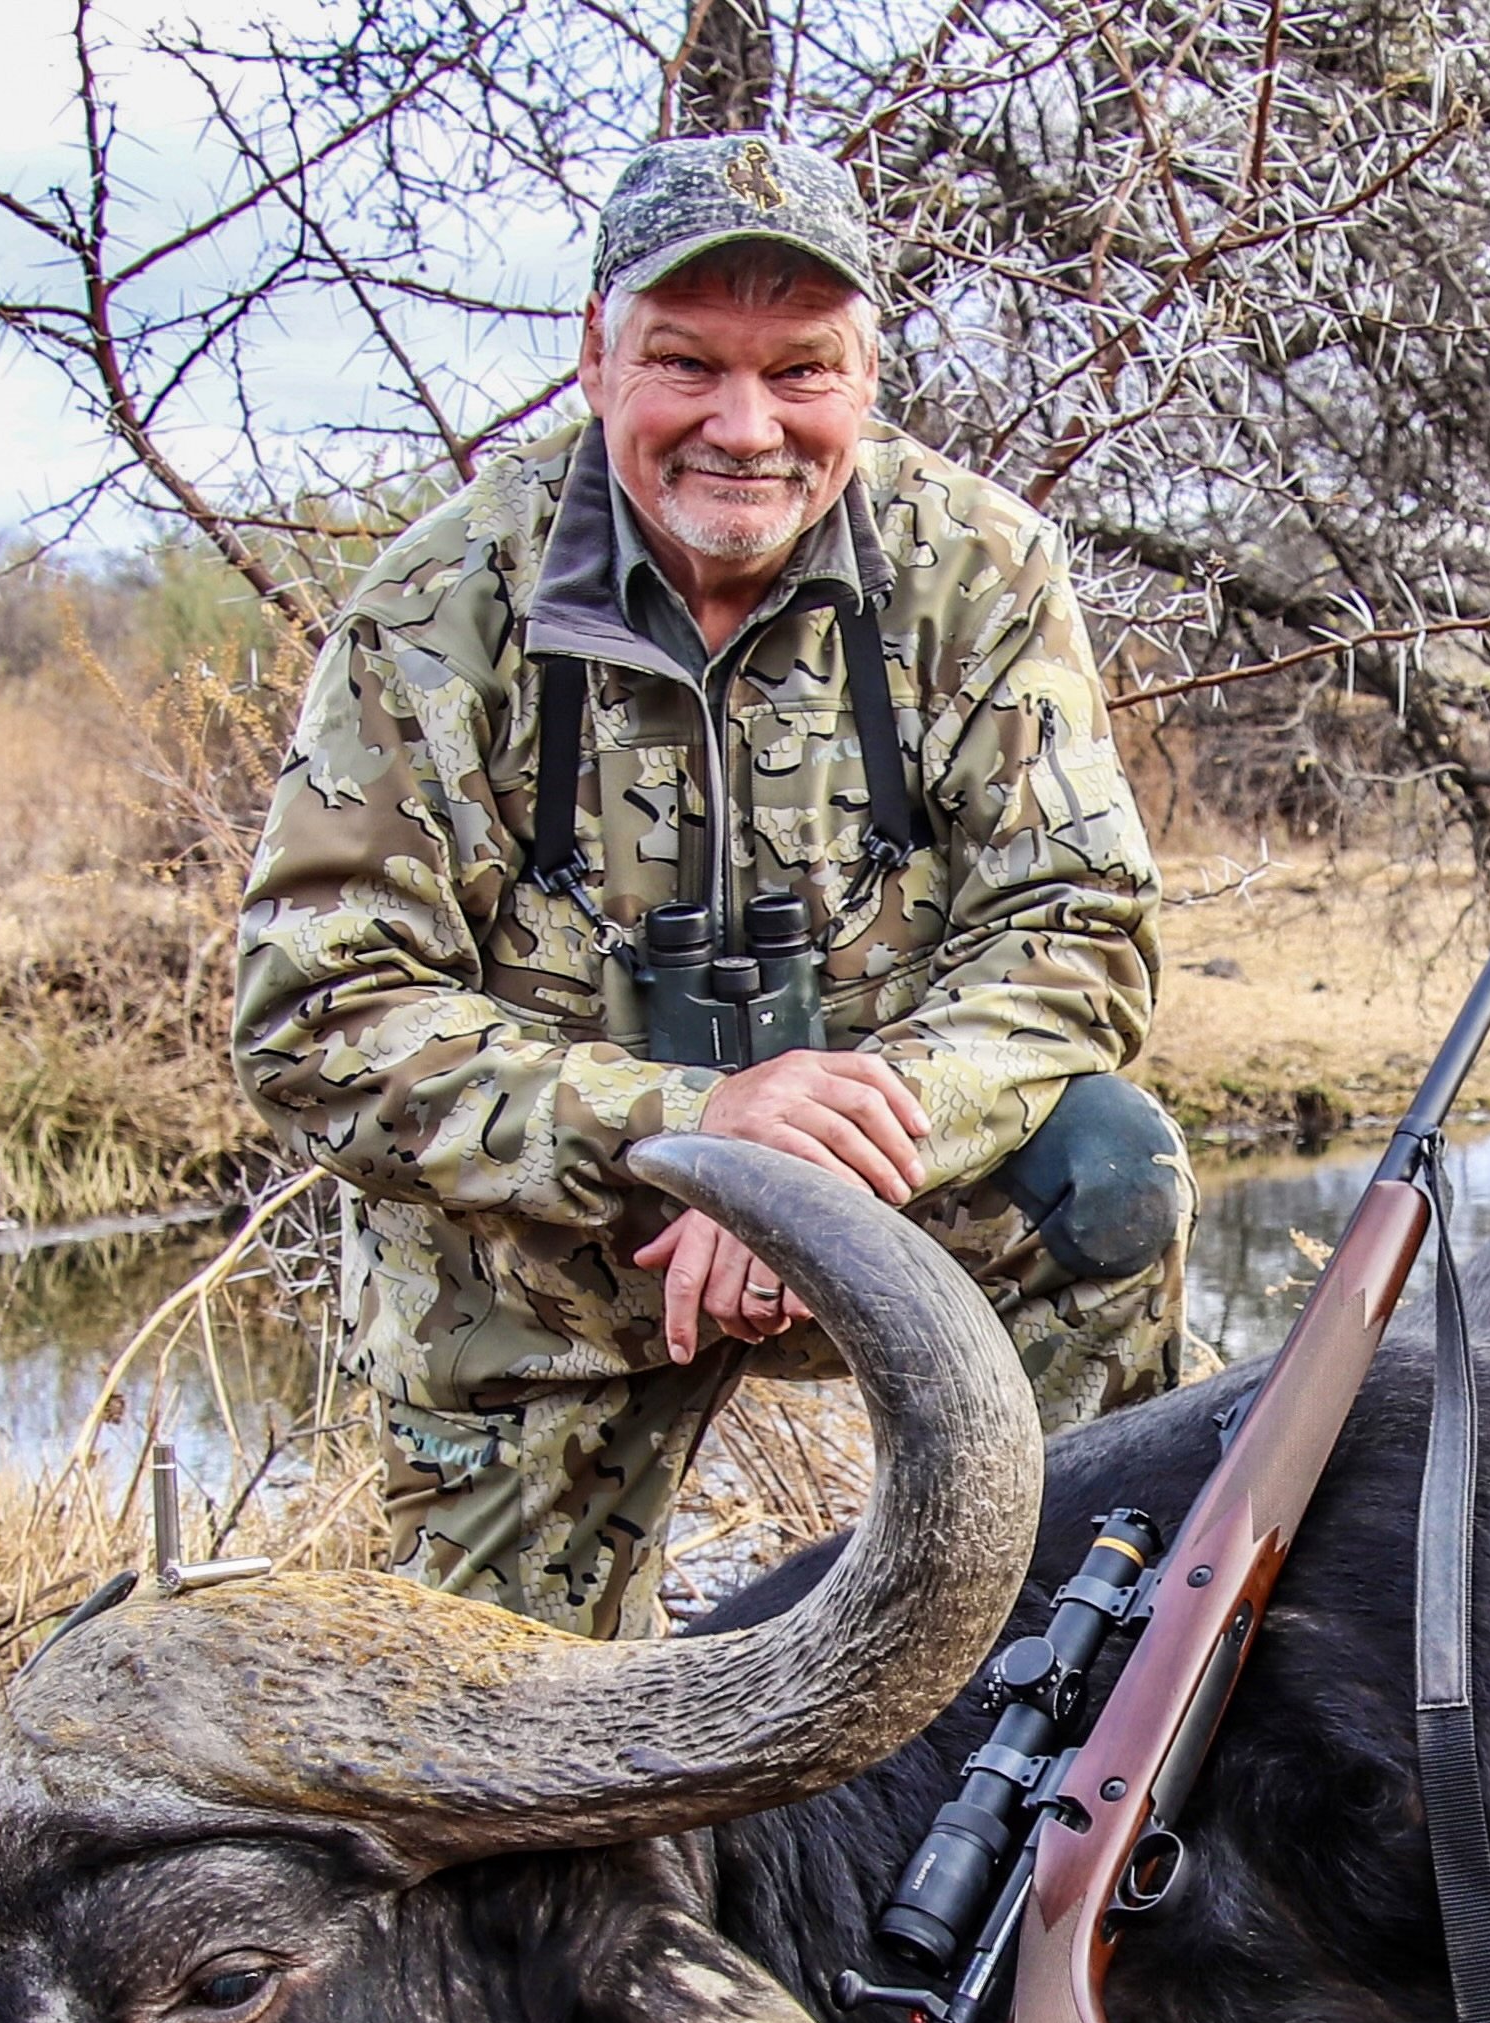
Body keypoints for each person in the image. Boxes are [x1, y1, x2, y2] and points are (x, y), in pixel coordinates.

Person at [233, 133, 1192, 1635]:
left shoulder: (977, 566)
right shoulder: (439, 604)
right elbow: (317, 1015)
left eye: (801, 371)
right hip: (551, 1257)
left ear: (865, 377)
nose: (746, 427)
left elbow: (1077, 932)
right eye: (687, 364)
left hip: (895, 1207)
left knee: (1110, 1172)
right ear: (595, 360)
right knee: (518, 1778)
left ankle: (1049, 1675)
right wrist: (697, 1135)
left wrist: (828, 1161)